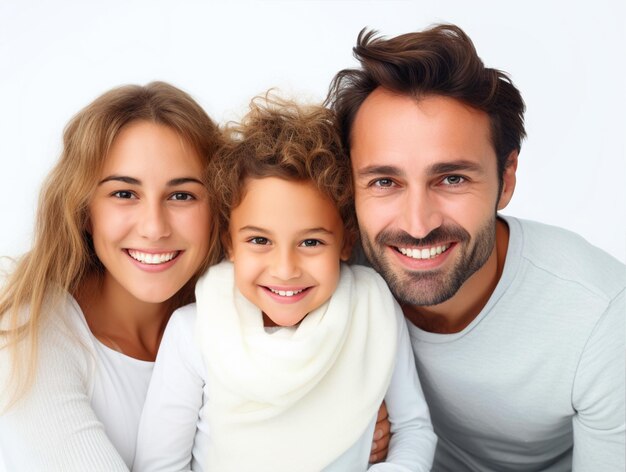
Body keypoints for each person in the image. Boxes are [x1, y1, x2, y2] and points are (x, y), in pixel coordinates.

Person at [326, 24, 626, 471]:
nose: (417, 224)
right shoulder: (321, 272)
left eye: (451, 179)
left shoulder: (600, 316)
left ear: (506, 180)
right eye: (384, 182)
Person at [133, 96, 437, 472]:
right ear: (230, 244)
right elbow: (158, 465)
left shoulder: (371, 309)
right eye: (259, 241)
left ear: (346, 242)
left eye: (311, 242)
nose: (285, 269)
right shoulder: (195, 331)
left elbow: (414, 428)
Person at [0, 81, 224, 471]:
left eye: (182, 195)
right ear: (84, 209)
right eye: (124, 194)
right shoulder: (24, 317)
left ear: (218, 210)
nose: (154, 228)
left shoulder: (229, 328)